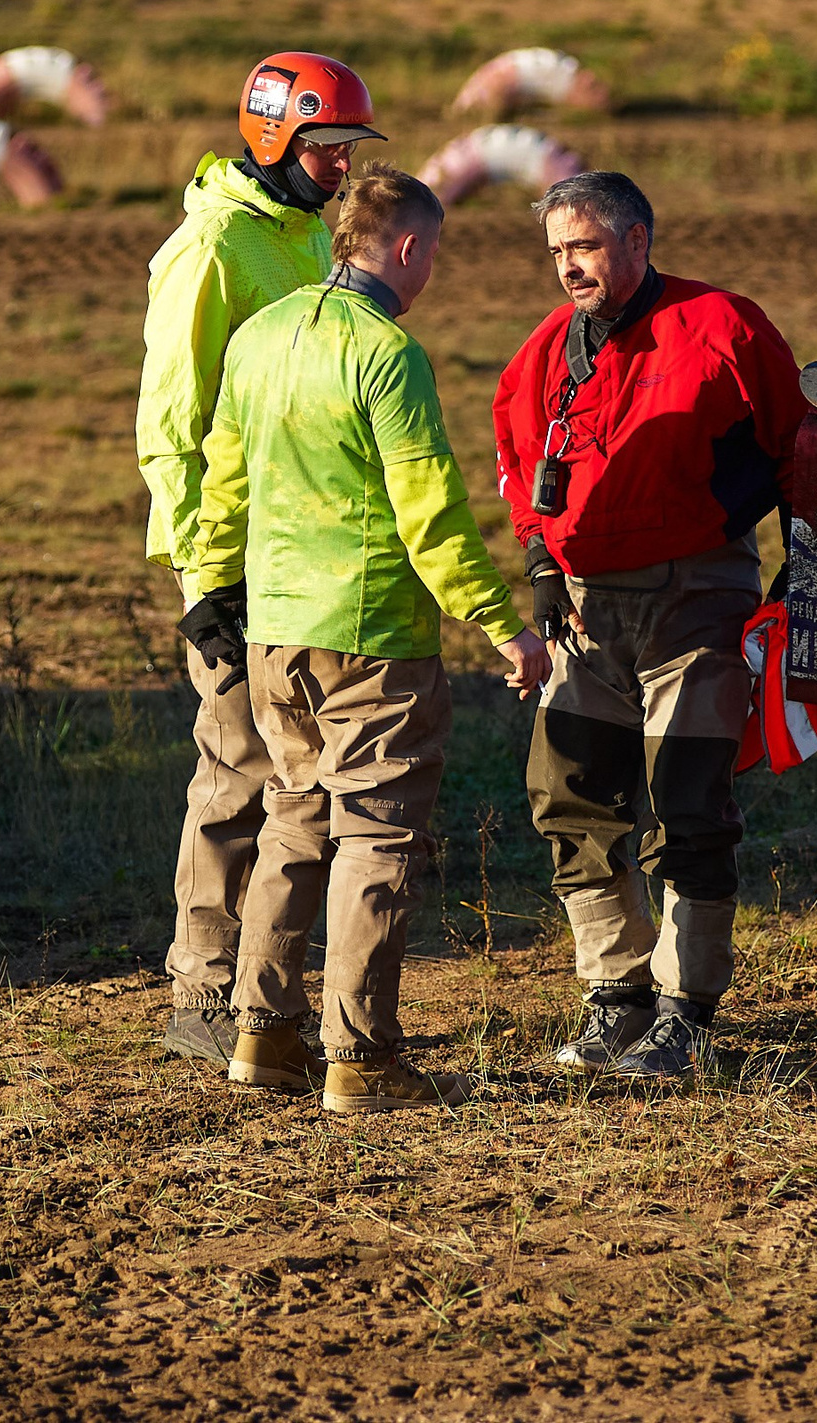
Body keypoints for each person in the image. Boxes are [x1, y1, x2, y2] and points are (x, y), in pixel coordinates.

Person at [193, 166, 550, 1114]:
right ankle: (360, 1054)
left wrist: (209, 587)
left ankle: (261, 1035)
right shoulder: (388, 355)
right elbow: (428, 510)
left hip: (271, 633)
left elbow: (219, 482)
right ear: (406, 247)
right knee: (377, 838)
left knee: (293, 821)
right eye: (432, 251)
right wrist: (500, 622)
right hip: (372, 637)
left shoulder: (261, 338)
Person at [490, 171, 808, 1082]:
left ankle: (686, 1012)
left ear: (637, 239)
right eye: (556, 251)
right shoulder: (545, 350)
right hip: (587, 606)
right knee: (571, 795)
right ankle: (615, 1000)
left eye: (584, 247)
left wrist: (796, 574)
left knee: (689, 803)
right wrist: (543, 566)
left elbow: (796, 451)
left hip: (696, 598)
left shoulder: (725, 326)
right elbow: (517, 463)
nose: (568, 268)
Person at [136, 54, 385, 1068]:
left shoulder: (303, 237)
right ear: (275, 139)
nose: (341, 169)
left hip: (305, 555)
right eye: (327, 150)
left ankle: (263, 991)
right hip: (234, 563)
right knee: (236, 767)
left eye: (352, 151)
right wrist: (204, 586)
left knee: (297, 779)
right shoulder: (211, 249)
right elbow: (171, 424)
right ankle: (200, 987)